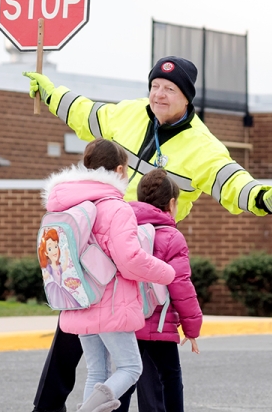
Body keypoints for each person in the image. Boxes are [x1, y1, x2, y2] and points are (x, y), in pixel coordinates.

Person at [24, 56, 272, 412]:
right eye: (155, 86)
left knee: (137, 358)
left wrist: (265, 199)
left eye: (169, 89)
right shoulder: (127, 114)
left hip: (141, 258)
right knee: (71, 337)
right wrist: (49, 91)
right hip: (97, 250)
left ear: (187, 97)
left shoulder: (203, 147)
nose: (158, 95)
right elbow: (85, 113)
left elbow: (233, 184)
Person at [41, 138, 176, 412]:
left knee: (97, 373)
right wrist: (166, 273)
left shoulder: (66, 205)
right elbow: (130, 260)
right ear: (118, 170)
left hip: (79, 298)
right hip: (111, 303)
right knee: (130, 367)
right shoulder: (116, 207)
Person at [117, 169, 203, 412]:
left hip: (129, 321)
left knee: (126, 377)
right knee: (171, 378)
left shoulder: (125, 232)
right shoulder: (172, 237)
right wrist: (192, 328)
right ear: (172, 203)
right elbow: (181, 286)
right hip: (160, 324)